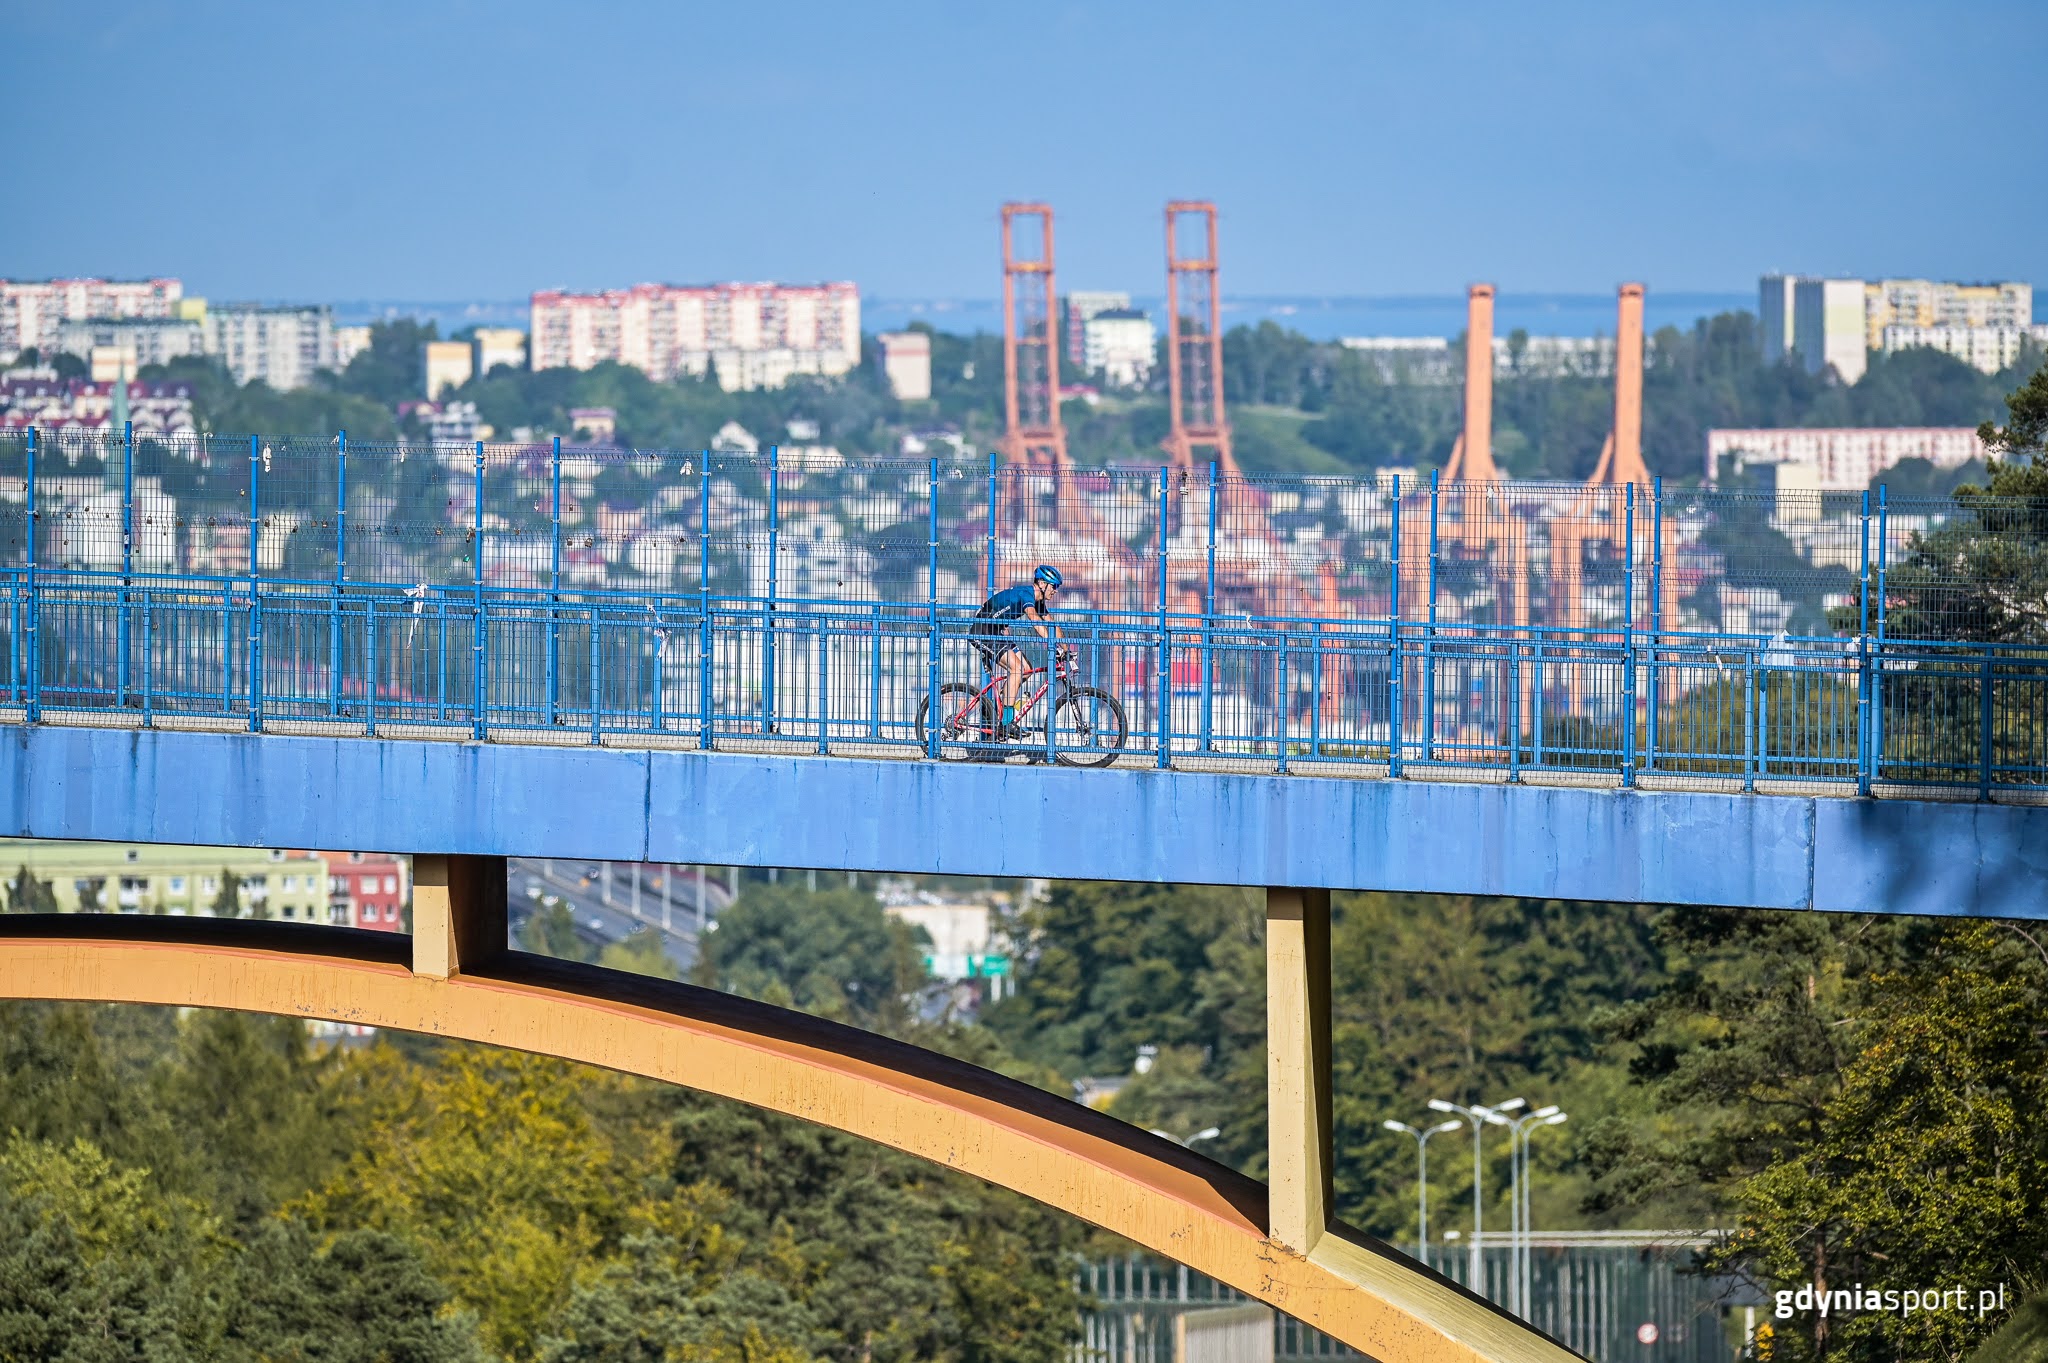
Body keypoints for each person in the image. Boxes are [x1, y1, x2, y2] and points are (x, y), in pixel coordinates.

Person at [971, 564, 1062, 738]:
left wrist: (1066, 648)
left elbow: (1052, 624)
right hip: (982, 631)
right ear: (1042, 584)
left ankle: (1003, 707)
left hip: (996, 631)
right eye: (1054, 586)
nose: (1056, 590)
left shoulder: (1038, 601)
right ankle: (1006, 723)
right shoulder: (1027, 594)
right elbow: (1034, 618)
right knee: (1017, 669)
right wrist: (1052, 645)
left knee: (1026, 670)